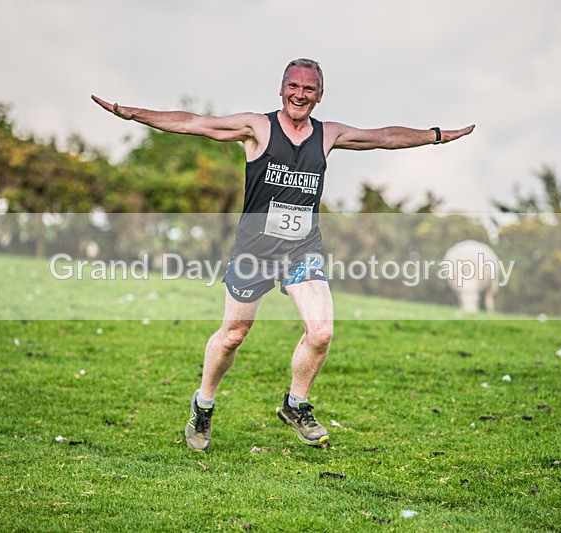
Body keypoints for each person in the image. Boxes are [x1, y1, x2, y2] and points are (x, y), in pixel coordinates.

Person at [92, 58, 474, 452]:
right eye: (294, 86)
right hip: (254, 251)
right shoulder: (257, 128)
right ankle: (203, 404)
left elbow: (383, 136)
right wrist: (133, 113)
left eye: (310, 89)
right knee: (233, 336)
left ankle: (296, 403)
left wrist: (436, 134)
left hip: (301, 251)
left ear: (320, 95)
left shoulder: (328, 135)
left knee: (321, 331)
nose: (300, 94)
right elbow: (195, 123)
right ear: (281, 89)